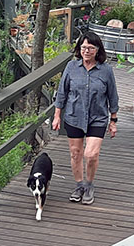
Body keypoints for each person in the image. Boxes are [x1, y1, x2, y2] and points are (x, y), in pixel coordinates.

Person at [51, 31, 119, 205]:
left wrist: (113, 121)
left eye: (90, 48)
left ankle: (89, 185)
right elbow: (62, 92)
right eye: (83, 47)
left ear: (97, 50)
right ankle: (79, 185)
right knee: (75, 154)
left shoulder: (106, 70)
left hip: (98, 117)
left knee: (91, 154)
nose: (86, 51)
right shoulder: (71, 67)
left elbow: (113, 96)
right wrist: (57, 115)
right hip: (74, 116)